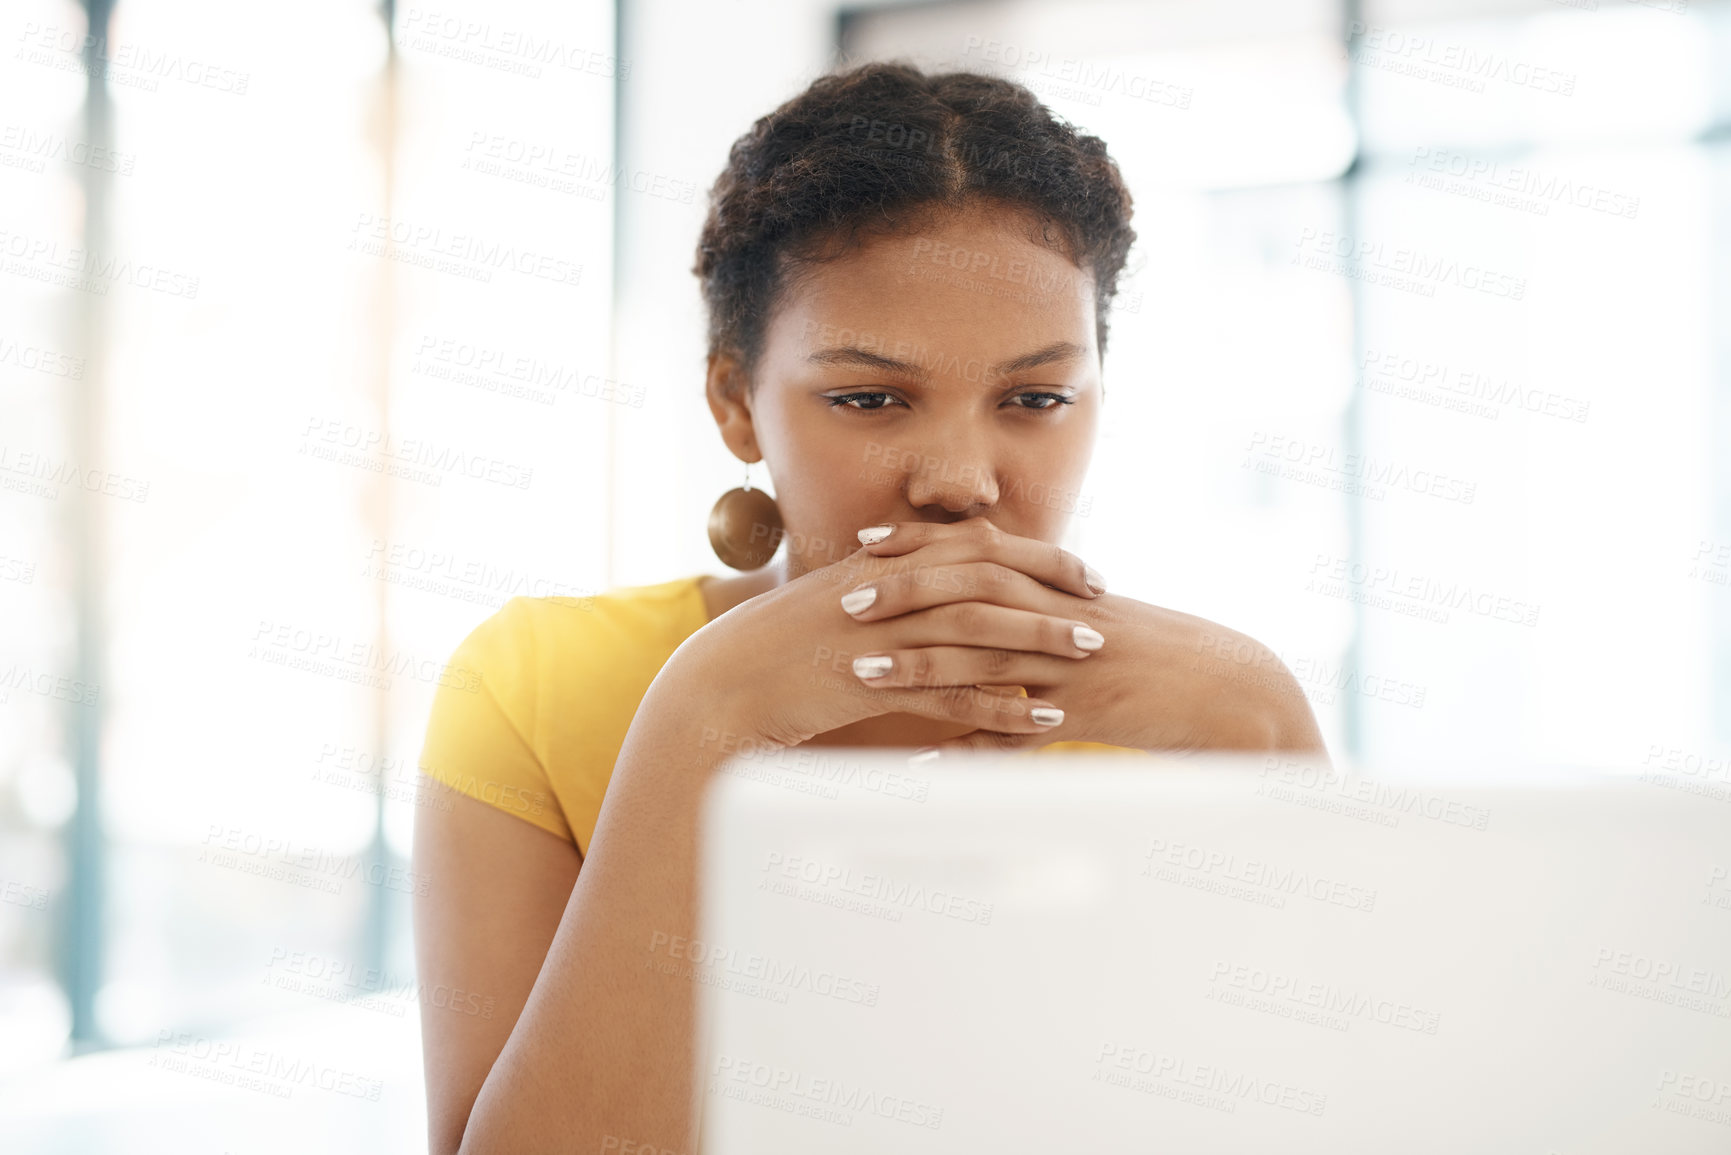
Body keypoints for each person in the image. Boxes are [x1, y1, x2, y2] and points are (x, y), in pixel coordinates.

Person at [411, 60, 1328, 1154]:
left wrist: (1268, 728)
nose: (959, 478)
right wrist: (708, 716)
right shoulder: (536, 684)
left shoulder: (1209, 717)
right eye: (869, 398)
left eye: (1034, 400)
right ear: (735, 402)